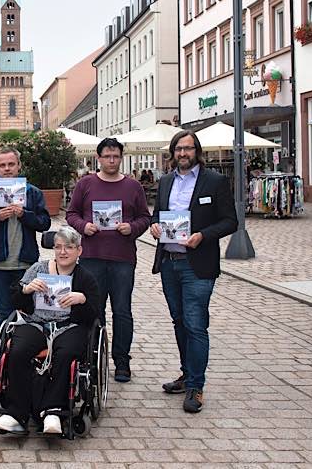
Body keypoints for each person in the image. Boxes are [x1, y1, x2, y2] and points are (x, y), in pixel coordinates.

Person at [149, 130, 237, 413]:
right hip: (169, 262)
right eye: (178, 149)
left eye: (188, 149)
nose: (183, 154)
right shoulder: (164, 182)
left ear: (196, 151)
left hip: (197, 264)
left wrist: (202, 235)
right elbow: (157, 215)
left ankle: (196, 387)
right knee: (179, 321)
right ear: (173, 152)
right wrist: (154, 227)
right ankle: (186, 375)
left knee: (195, 323)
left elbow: (229, 222)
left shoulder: (215, 181)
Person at [0, 226, 100, 434]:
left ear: (79, 251)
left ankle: (53, 411)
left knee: (67, 352)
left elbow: (94, 314)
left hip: (69, 325)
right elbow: (15, 299)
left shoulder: (85, 277)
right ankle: (15, 413)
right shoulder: (38, 269)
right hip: (36, 323)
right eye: (58, 247)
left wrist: (82, 299)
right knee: (18, 349)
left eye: (69, 247)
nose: (63, 252)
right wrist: (26, 289)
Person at [66, 137, 151, 383]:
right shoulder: (86, 184)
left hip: (123, 258)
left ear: (120, 158)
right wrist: (85, 226)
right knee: (94, 309)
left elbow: (145, 217)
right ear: (99, 158)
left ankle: (122, 362)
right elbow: (71, 214)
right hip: (92, 257)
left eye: (115, 157)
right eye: (107, 156)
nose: (111, 161)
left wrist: (132, 227)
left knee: (122, 311)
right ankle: (94, 358)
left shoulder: (133, 186)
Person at [0, 147, 51, 327]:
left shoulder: (33, 192)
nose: (7, 169)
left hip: (26, 263)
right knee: (5, 312)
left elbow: (44, 223)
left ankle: (26, 350)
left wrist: (25, 215)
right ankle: (5, 352)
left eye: (11, 164)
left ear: (19, 166)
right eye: (3, 165)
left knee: (30, 311)